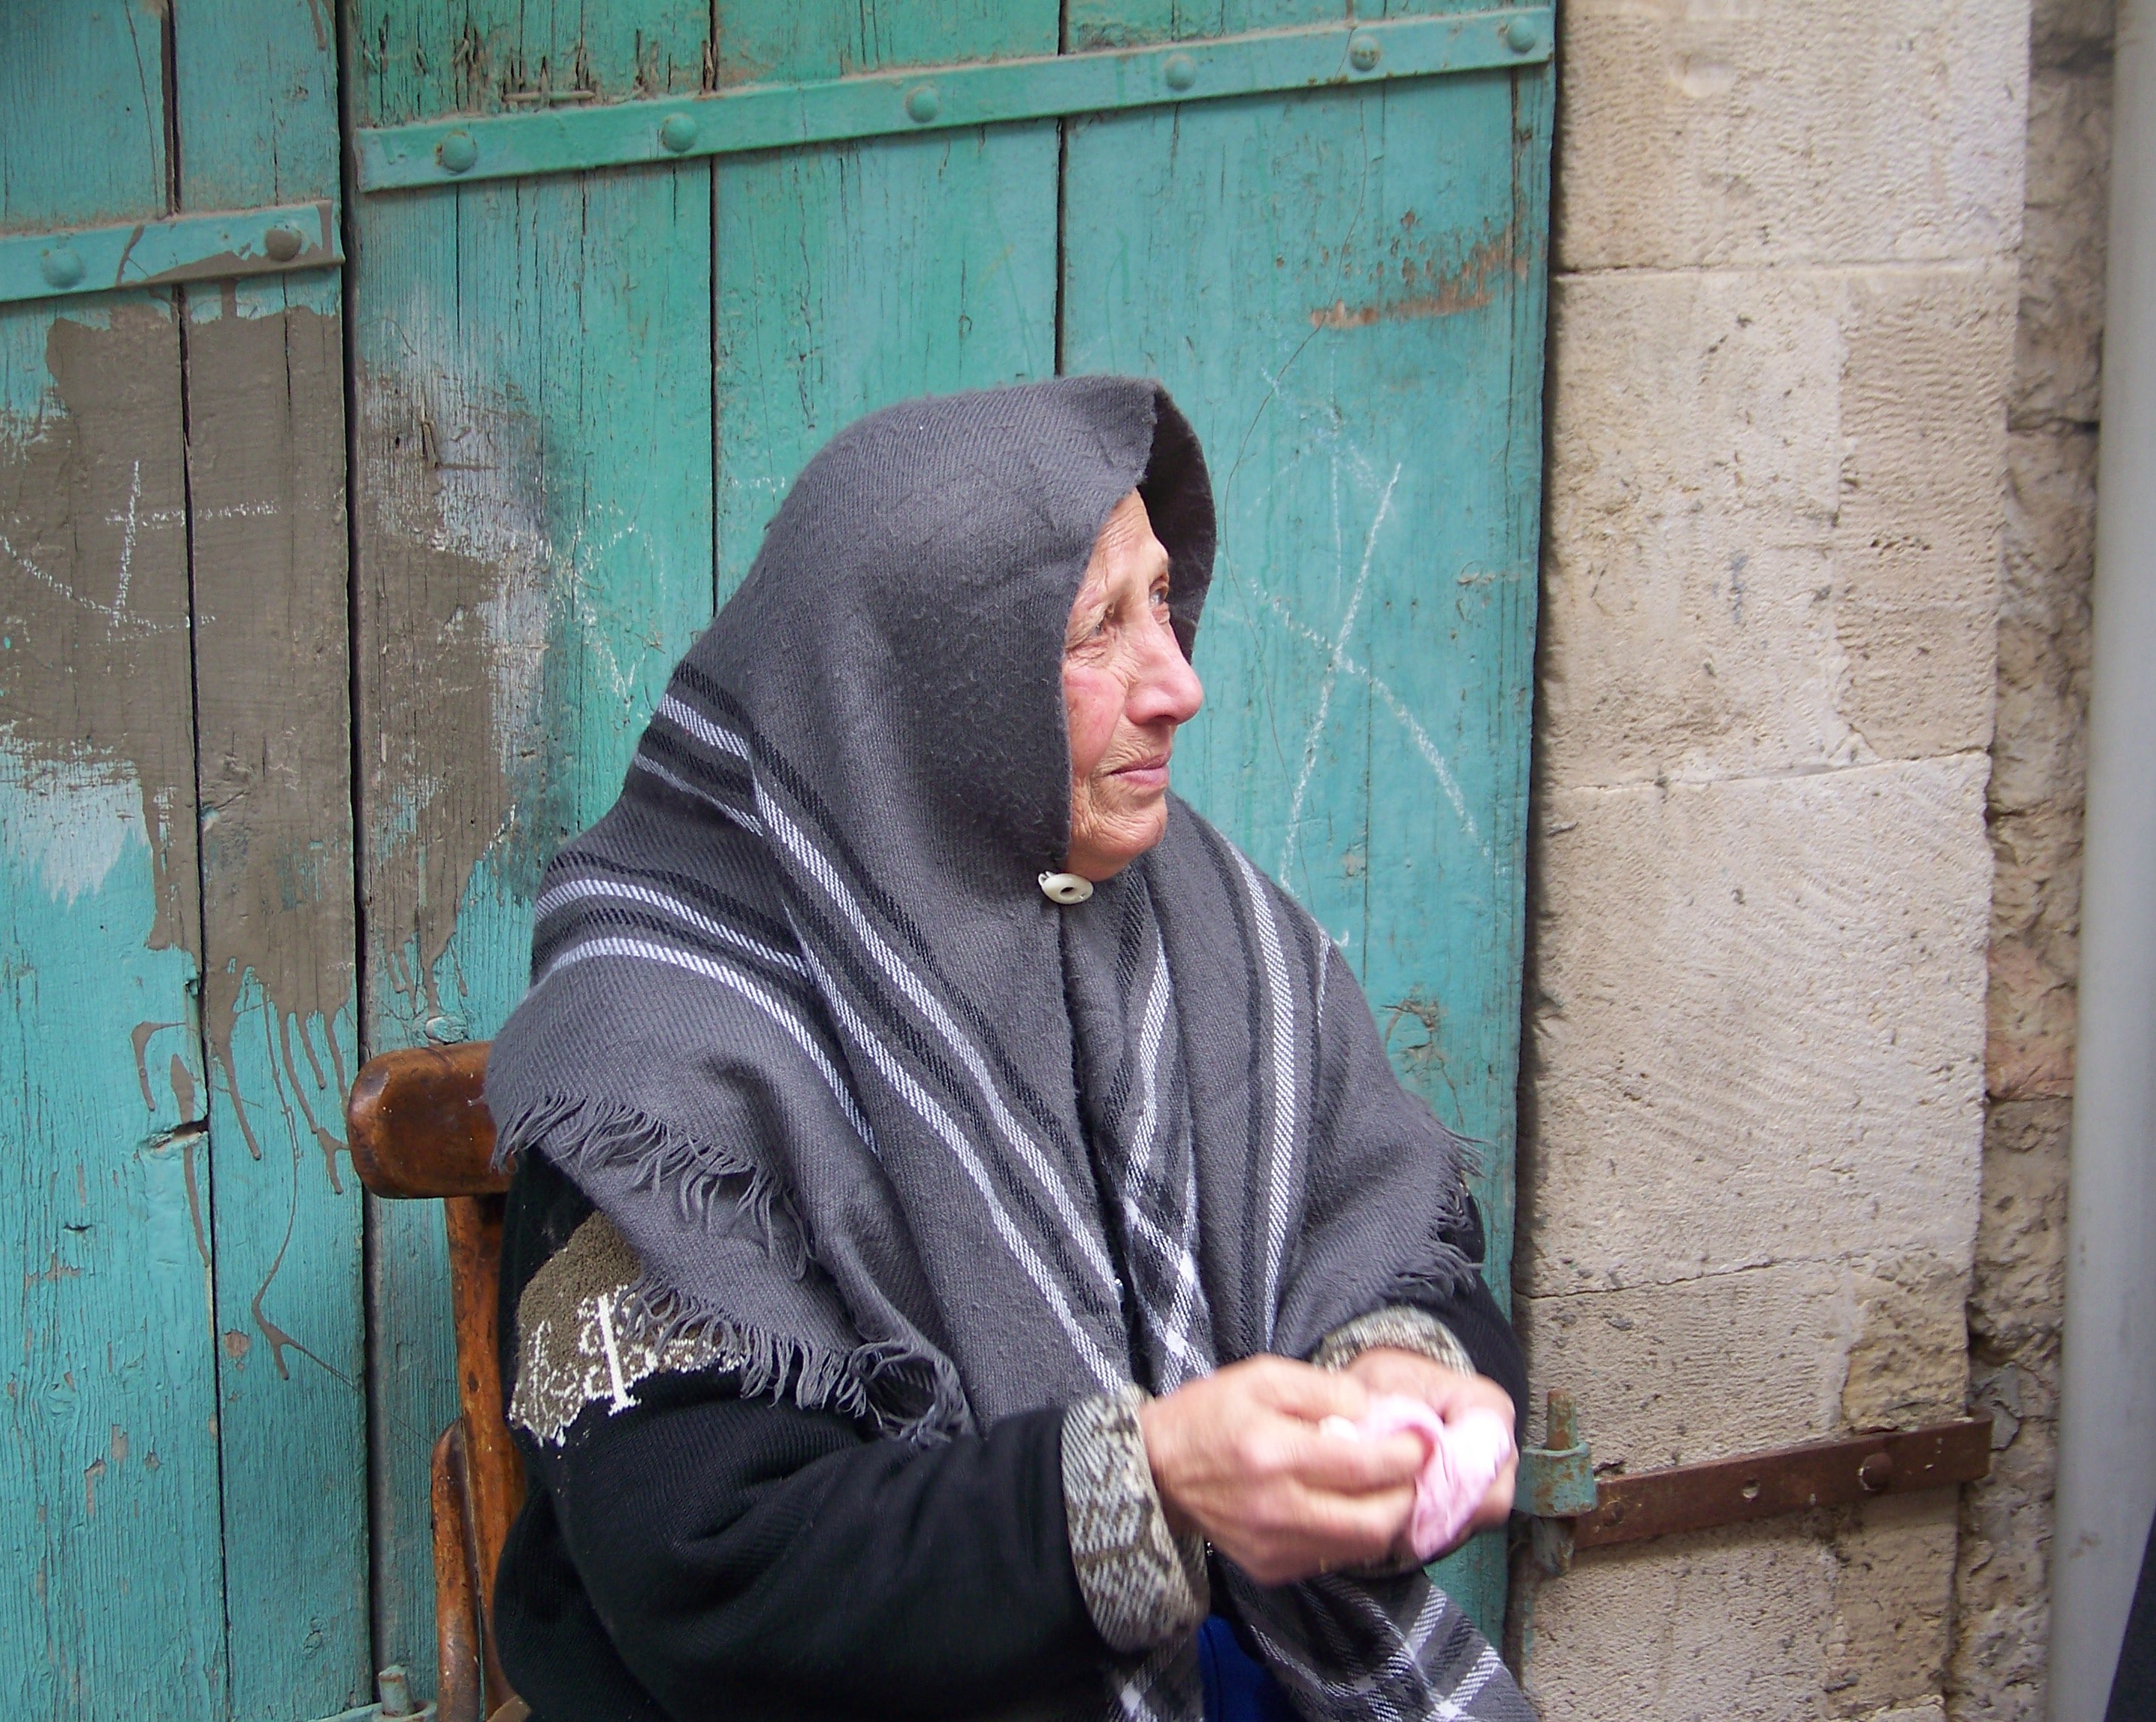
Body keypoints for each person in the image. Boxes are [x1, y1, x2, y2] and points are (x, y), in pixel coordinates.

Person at [484, 376, 1534, 1722]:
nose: (1181, 683)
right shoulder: (661, 1055)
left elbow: (1401, 1246)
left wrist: (1406, 1378)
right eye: (1100, 629)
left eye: (1162, 600)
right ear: (919, 689)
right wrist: (1142, 1488)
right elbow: (718, 1577)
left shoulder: (1197, 926)